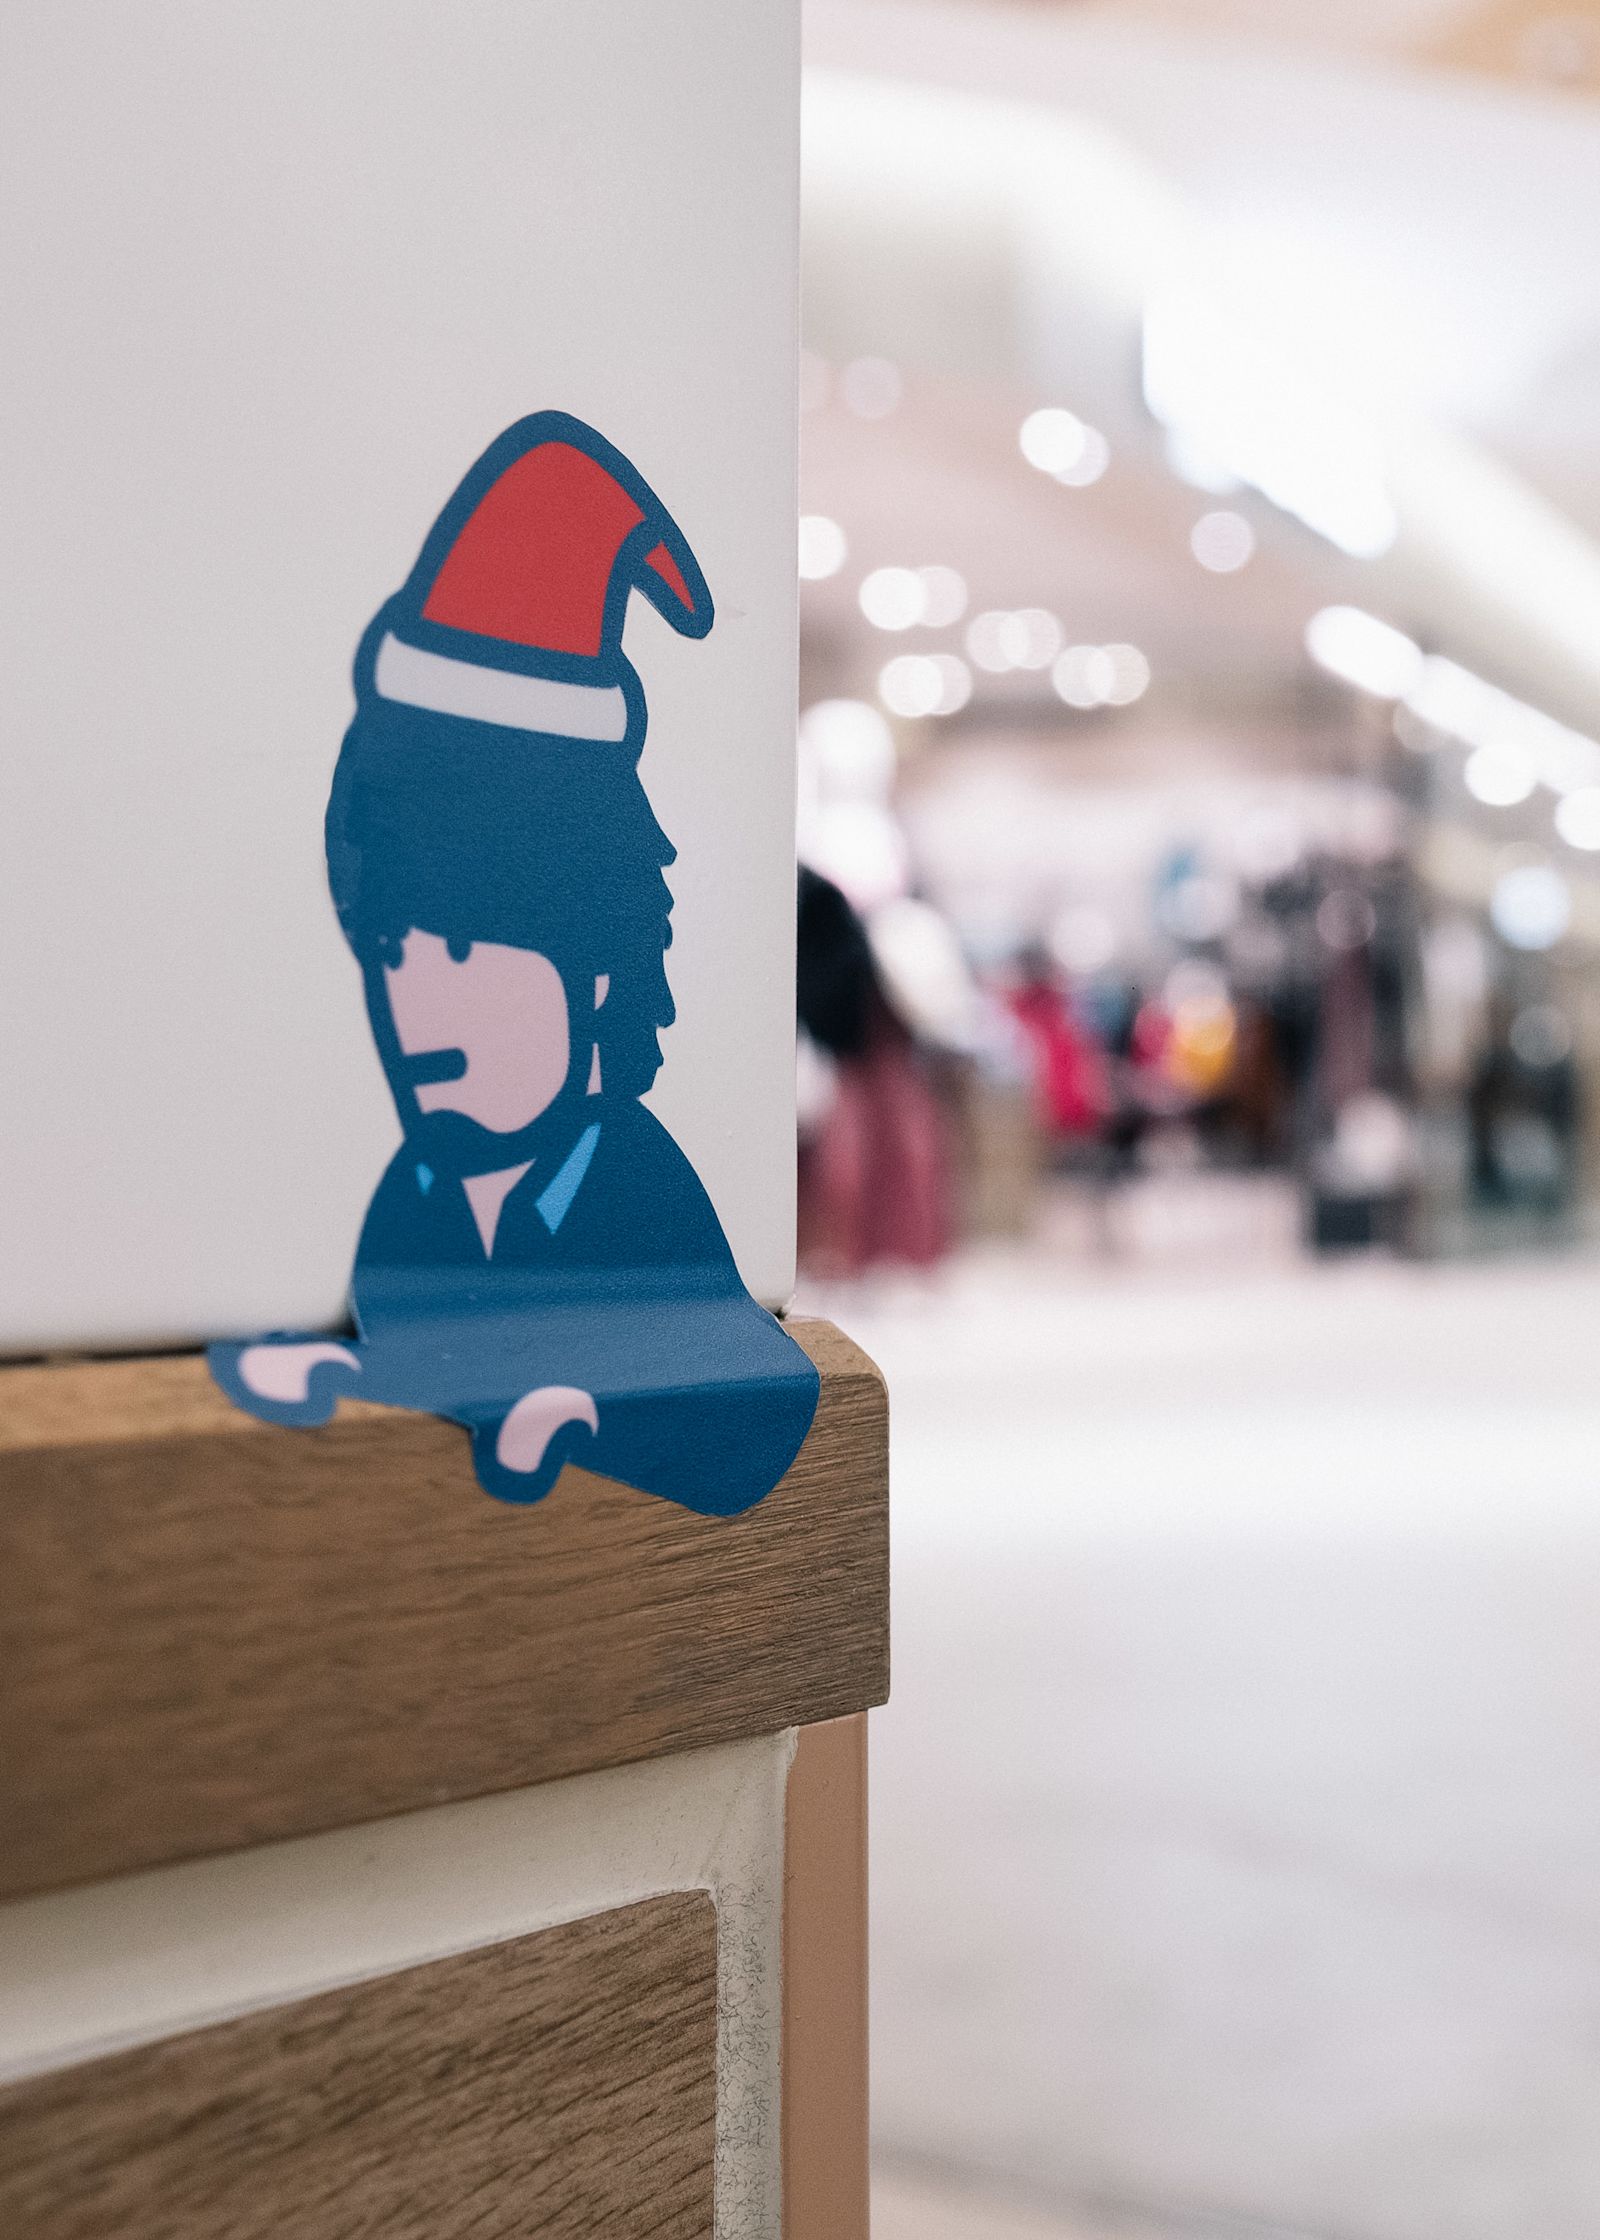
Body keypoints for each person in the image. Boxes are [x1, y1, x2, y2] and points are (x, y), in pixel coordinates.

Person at [210, 414, 819, 1512]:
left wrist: (592, 1417)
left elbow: (761, 1404)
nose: (415, 1002)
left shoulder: (633, 1186)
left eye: (462, 949)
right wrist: (348, 1377)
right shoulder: (412, 1197)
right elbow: (429, 1361)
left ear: (597, 968)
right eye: (392, 950)